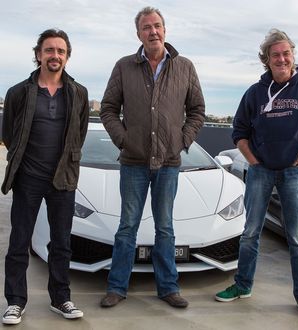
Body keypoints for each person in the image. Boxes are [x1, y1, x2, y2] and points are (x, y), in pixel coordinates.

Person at [215, 28, 298, 320]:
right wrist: (253, 162)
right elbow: (238, 132)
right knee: (250, 232)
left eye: (286, 53)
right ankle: (242, 285)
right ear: (267, 60)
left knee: (297, 235)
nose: (281, 59)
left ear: (292, 55)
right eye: (275, 55)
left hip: (294, 174)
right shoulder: (254, 93)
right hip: (261, 172)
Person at [99, 6, 205, 309]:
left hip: (169, 163)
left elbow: (197, 110)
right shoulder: (124, 66)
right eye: (146, 27)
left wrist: (182, 141)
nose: (153, 31)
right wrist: (124, 140)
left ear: (165, 30)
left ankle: (168, 287)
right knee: (127, 226)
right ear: (138, 34)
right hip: (133, 162)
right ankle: (117, 287)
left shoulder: (184, 66)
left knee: (165, 228)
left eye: (157, 26)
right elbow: (108, 108)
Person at [1, 29, 89, 325]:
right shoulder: (18, 92)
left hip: (62, 179)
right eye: (49, 50)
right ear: (38, 54)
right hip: (28, 178)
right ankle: (15, 301)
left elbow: (80, 134)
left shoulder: (79, 93)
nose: (55, 55)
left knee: (61, 242)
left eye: (60, 51)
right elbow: (9, 135)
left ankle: (60, 298)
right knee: (19, 241)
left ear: (67, 56)